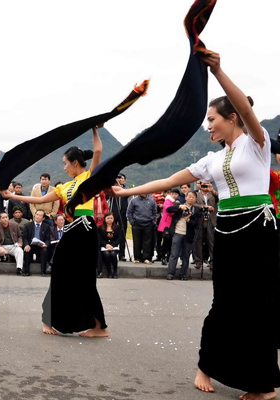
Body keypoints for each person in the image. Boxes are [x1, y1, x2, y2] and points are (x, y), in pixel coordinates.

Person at [112, 52, 279, 400]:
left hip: (258, 230)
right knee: (224, 302)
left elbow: (247, 111)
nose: (208, 125)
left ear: (232, 118)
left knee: (259, 304)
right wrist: (125, 190)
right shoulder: (211, 160)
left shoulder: (258, 143)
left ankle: (262, 384)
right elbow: (168, 180)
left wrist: (216, 70)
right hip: (228, 229)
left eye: (213, 118)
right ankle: (207, 365)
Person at [3, 125, 108, 338]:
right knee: (59, 271)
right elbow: (40, 200)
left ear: (75, 163)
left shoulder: (89, 177)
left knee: (86, 277)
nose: (64, 168)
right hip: (70, 232)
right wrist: (13, 196)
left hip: (86, 230)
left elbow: (97, 151)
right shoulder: (63, 187)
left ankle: (99, 327)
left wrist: (94, 129)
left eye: (65, 164)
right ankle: (50, 319)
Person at [165, 190, 200, 280]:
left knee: (186, 255)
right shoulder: (180, 206)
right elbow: (168, 209)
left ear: (195, 199)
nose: (191, 198)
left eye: (193, 197)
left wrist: (189, 220)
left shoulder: (196, 210)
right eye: (189, 196)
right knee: (174, 254)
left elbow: (196, 224)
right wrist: (179, 207)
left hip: (188, 235)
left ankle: (183, 274)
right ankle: (170, 273)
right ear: (185, 197)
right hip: (177, 233)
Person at [193, 180, 218, 269]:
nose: (204, 187)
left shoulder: (214, 194)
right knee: (198, 241)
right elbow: (193, 204)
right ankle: (198, 261)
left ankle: (212, 261)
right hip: (200, 219)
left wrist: (212, 190)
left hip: (211, 220)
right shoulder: (196, 194)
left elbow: (221, 199)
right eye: (202, 185)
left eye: (206, 185)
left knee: (212, 241)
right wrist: (204, 207)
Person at [126, 193, 157, 264]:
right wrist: (132, 222)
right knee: (137, 242)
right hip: (136, 224)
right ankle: (137, 258)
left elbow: (154, 212)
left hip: (148, 224)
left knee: (147, 242)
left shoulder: (152, 200)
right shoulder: (134, 200)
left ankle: (146, 258)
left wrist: (153, 221)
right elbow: (129, 212)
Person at [22, 209, 52, 277]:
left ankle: (43, 271)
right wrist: (26, 245)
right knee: (27, 250)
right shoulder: (28, 225)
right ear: (34, 215)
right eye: (37, 214)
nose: (38, 216)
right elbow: (25, 237)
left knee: (44, 251)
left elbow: (48, 239)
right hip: (31, 245)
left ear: (43, 218)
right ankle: (26, 271)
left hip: (41, 245)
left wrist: (45, 245)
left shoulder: (46, 226)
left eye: (40, 215)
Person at [108, 173, 129, 260]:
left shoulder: (126, 189)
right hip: (112, 215)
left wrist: (119, 186)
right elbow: (106, 195)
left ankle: (121, 254)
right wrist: (113, 185)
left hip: (123, 214)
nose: (119, 179)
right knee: (111, 233)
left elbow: (127, 194)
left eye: (121, 178)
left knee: (122, 234)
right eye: (118, 178)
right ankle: (111, 252)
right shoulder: (111, 188)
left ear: (124, 180)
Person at [97, 212, 122, 279]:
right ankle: (109, 271)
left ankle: (115, 271)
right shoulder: (101, 228)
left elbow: (119, 238)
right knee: (106, 254)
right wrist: (106, 245)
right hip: (104, 247)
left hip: (114, 246)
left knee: (113, 254)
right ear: (105, 219)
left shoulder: (117, 227)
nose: (110, 219)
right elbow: (100, 239)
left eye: (111, 218)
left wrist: (112, 245)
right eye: (108, 218)